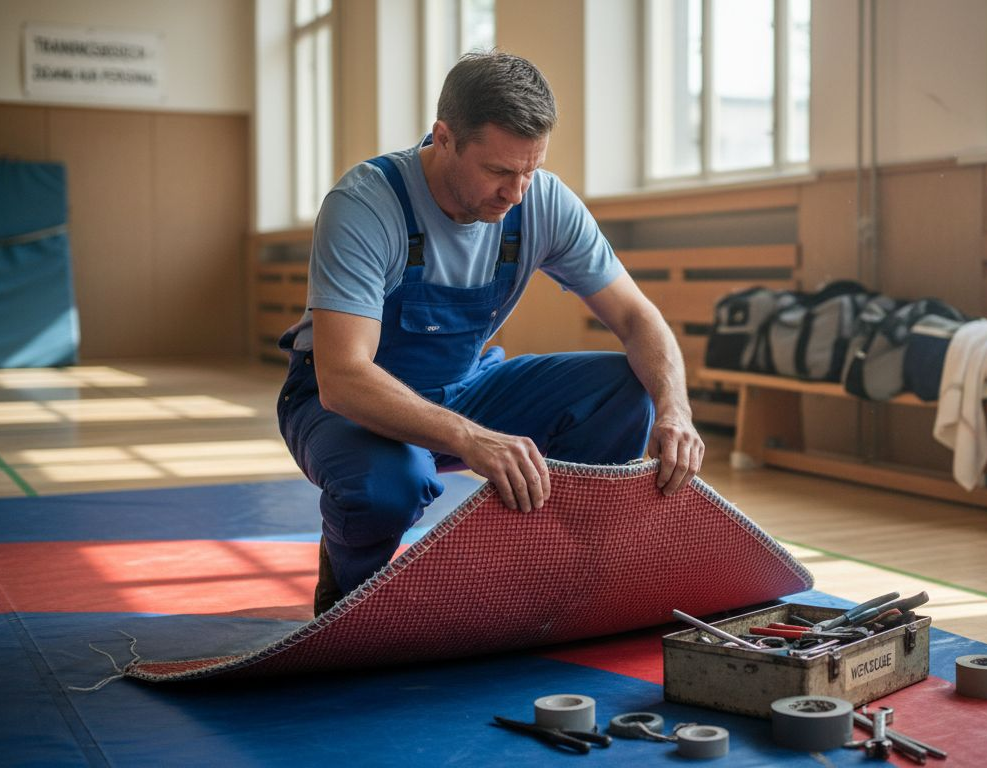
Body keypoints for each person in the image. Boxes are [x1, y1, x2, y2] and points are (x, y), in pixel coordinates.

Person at [276, 51, 704, 616]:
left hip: (463, 386)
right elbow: (343, 378)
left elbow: (637, 318)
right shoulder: (365, 205)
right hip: (344, 405)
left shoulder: (542, 201)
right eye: (500, 171)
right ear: (444, 138)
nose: (517, 192)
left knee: (625, 390)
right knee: (389, 489)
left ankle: (550, 571)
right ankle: (348, 585)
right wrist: (471, 439)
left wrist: (675, 409)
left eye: (530, 169)